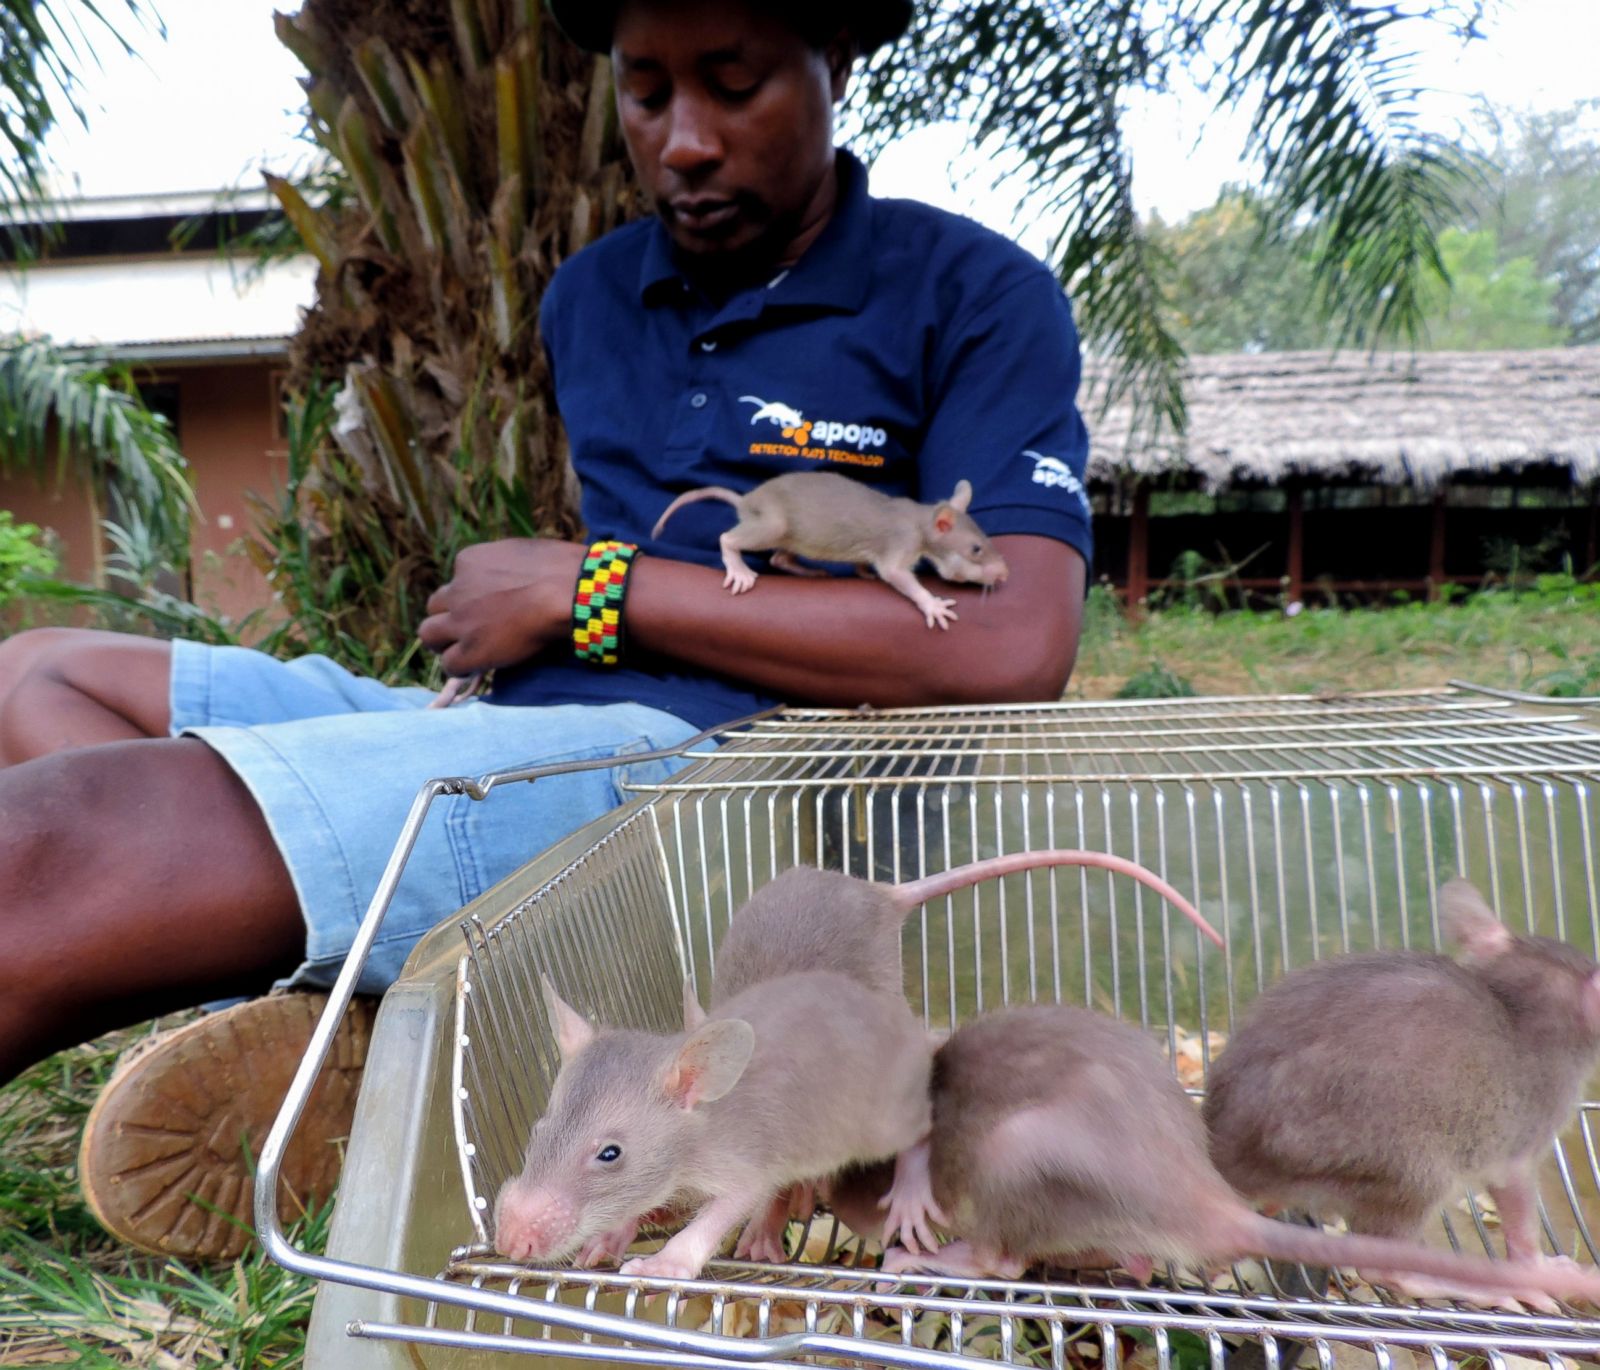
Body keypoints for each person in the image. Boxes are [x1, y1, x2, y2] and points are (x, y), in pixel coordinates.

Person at [0, 0, 1091, 1260]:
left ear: (831, 65)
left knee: (57, 842)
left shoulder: (968, 292)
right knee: (41, 675)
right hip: (547, 727)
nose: (682, 139)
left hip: (726, 793)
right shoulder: (596, 297)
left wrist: (594, 587)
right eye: (645, 92)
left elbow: (1009, 646)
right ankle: (367, 1025)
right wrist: (547, 622)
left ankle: (390, 1017)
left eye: (732, 85)